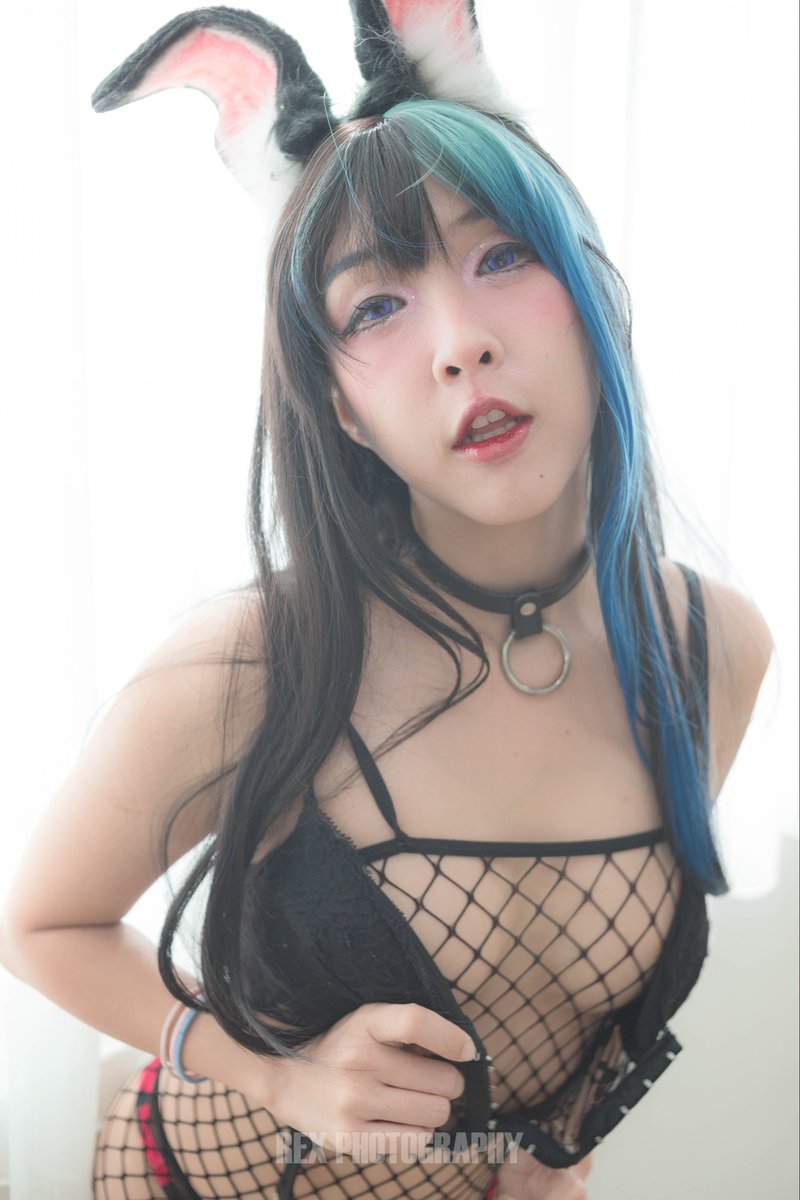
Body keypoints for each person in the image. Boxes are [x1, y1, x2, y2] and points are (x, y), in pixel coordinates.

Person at [0, 3, 774, 1199]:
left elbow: (573, 1013)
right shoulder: (254, 659)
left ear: (591, 290)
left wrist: (555, 1157)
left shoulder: (707, 646)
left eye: (501, 257)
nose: (459, 343)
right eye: (374, 306)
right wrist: (274, 1076)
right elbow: (38, 924)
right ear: (341, 409)